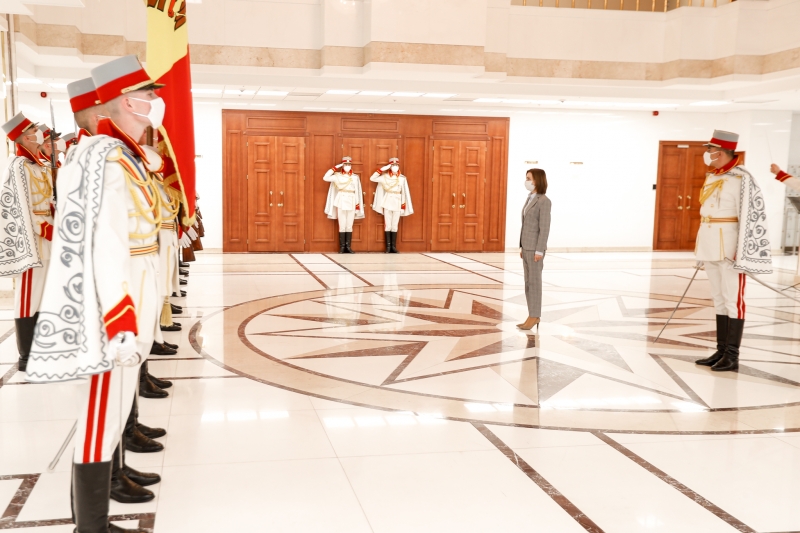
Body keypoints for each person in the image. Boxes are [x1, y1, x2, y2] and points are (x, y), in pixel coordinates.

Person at [27, 55, 168, 533]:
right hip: (113, 305)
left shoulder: (124, 155)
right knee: (98, 419)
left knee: (112, 413)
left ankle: (103, 503)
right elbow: (103, 244)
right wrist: (120, 318)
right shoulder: (102, 158)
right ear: (127, 101)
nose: (155, 102)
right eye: (147, 95)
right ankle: (91, 527)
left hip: (134, 292)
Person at [694, 130, 772, 372]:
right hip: (710, 244)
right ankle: (721, 350)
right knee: (719, 298)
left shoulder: (742, 179)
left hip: (729, 247)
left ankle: (732, 355)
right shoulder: (714, 176)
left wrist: (743, 249)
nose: (707, 154)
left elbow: (751, 216)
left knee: (733, 300)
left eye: (710, 150)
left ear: (720, 152)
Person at [0, 112, 54, 372]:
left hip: (48, 236)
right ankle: (26, 355)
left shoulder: (39, 165)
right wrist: (42, 227)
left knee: (43, 293)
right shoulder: (18, 166)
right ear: (23, 137)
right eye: (33, 130)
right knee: (28, 295)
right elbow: (19, 206)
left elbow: (47, 199)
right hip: (32, 238)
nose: (38, 133)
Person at [518, 168, 551, 331]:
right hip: (526, 247)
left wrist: (539, 250)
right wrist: (522, 246)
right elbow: (526, 225)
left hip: (535, 249)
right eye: (526, 178)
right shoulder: (530, 198)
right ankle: (531, 314)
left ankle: (535, 315)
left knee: (535, 283)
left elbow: (544, 228)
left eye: (529, 178)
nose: (527, 181)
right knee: (528, 283)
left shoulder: (544, 201)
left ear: (537, 180)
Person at [370, 157, 413, 253]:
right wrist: (383, 169)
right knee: (388, 225)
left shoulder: (402, 178)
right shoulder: (385, 177)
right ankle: (388, 247)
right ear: (390, 166)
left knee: (395, 225)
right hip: (388, 202)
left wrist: (403, 206)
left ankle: (393, 247)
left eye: (396, 165)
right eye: (393, 165)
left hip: (398, 202)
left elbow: (404, 193)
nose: (395, 167)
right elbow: (372, 178)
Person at [324, 156, 364, 253]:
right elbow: (325, 177)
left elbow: (358, 191)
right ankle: (342, 247)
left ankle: (348, 247)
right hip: (341, 201)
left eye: (349, 164)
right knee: (342, 225)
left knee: (349, 225)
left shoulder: (355, 177)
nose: (347, 166)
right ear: (342, 165)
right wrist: (336, 167)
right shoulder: (337, 176)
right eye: (345, 164)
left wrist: (357, 205)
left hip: (352, 200)